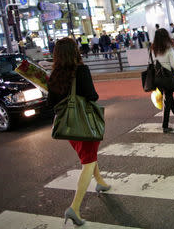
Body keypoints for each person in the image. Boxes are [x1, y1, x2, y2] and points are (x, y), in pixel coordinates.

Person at [47, 37, 110, 226]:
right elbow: (92, 95)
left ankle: (101, 182)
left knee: (88, 157)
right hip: (85, 124)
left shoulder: (55, 75)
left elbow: (51, 103)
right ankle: (74, 207)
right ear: (75, 51)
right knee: (88, 162)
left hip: (68, 127)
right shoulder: (81, 70)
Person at [152, 28, 174, 132]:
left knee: (168, 97)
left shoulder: (153, 49)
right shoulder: (168, 49)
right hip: (167, 78)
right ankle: (165, 125)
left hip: (157, 78)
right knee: (167, 100)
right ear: (166, 37)